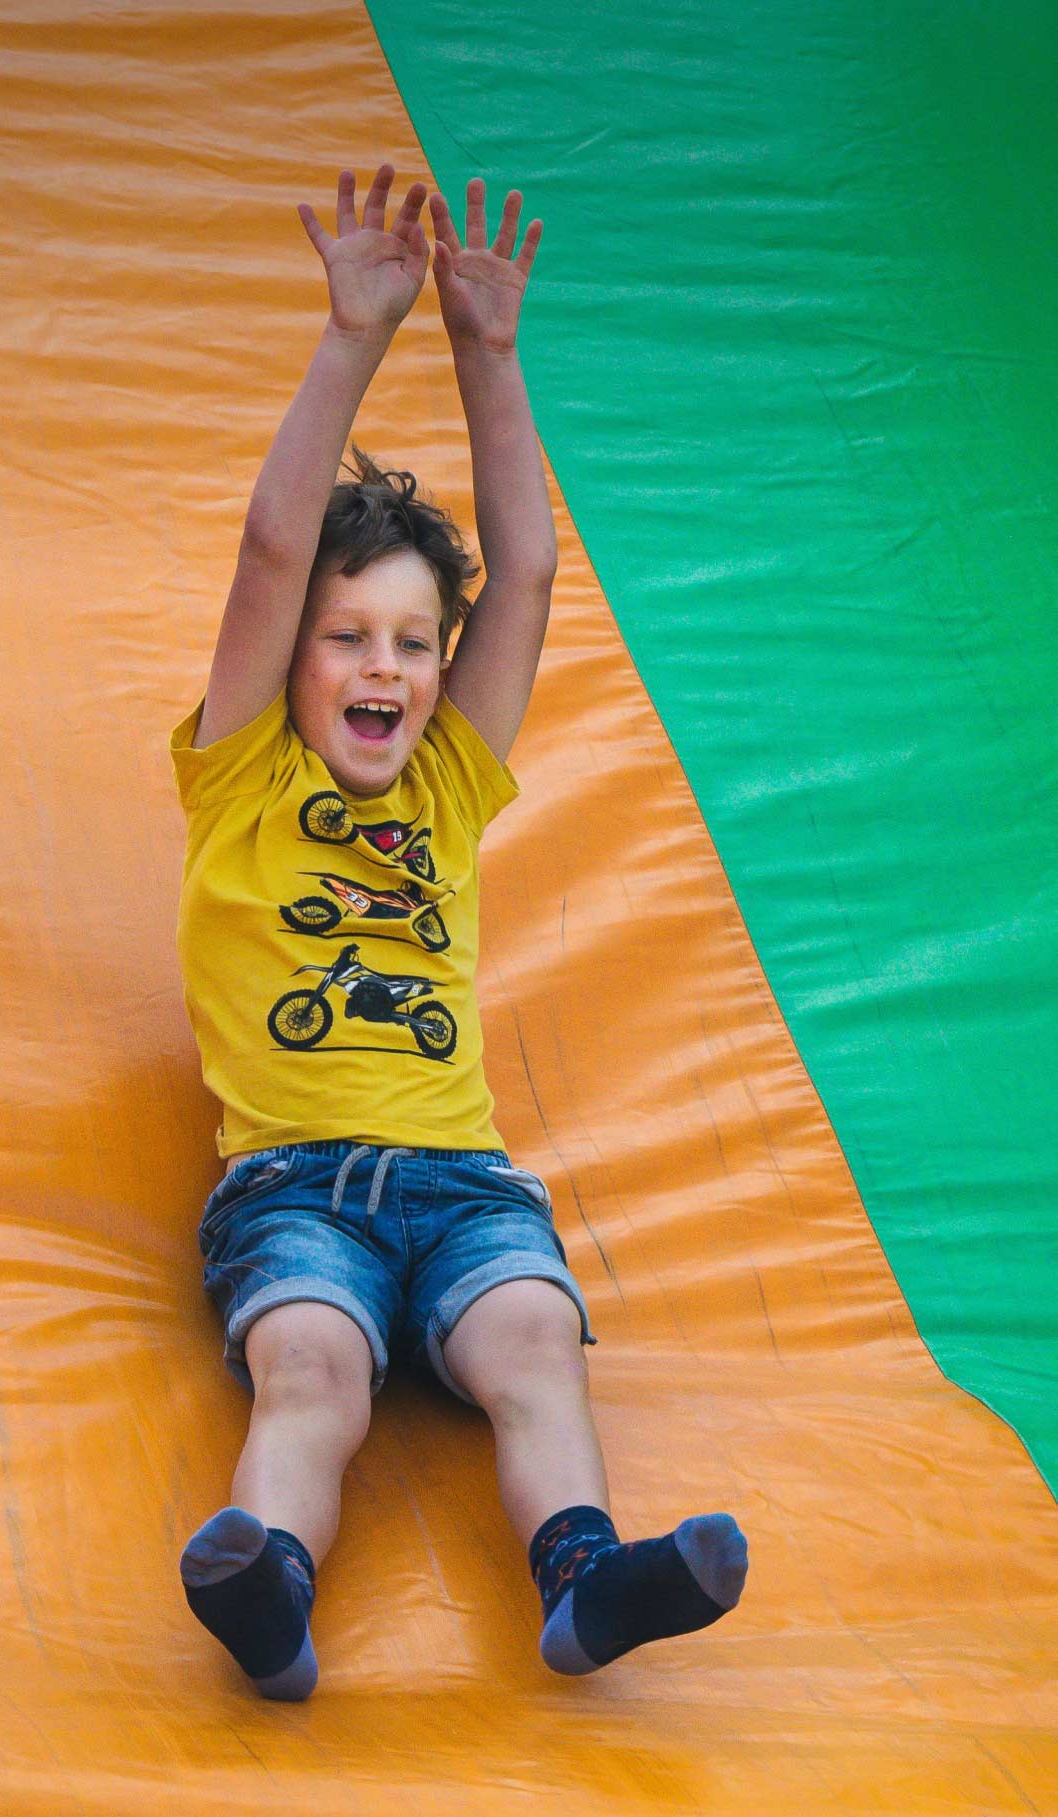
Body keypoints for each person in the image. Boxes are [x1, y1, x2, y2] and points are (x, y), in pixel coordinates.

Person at [167, 163, 748, 1699]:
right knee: (312, 1368)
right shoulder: (241, 774)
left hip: (465, 1185)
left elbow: (534, 572)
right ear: (293, 663)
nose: (384, 665)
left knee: (529, 1344)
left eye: (414, 642)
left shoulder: (446, 783)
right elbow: (269, 550)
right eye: (350, 638)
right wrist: (357, 332)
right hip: (292, 1184)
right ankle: (267, 1587)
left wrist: (488, 355)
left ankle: (585, 1583)